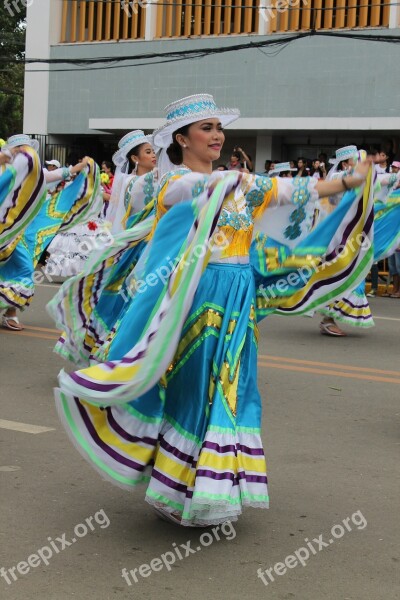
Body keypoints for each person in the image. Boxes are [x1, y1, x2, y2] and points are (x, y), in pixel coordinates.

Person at [52, 94, 372, 527]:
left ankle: (207, 486)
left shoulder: (242, 185)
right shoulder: (173, 185)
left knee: (231, 388)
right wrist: (222, 182)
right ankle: (175, 487)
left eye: (219, 128)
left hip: (238, 299)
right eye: (207, 128)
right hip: (196, 300)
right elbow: (186, 191)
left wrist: (356, 182)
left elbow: (303, 190)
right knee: (195, 387)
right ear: (181, 139)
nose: (217, 135)